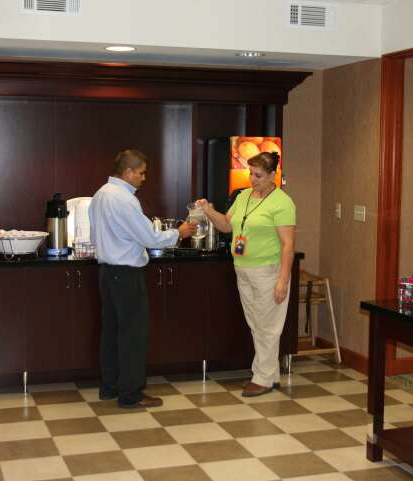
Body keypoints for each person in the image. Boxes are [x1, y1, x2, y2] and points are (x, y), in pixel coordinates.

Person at [90, 149, 197, 408]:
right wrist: (178, 233)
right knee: (132, 336)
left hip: (107, 272)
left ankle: (109, 387)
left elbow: (96, 235)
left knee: (111, 333)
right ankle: (131, 394)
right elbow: (149, 237)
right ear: (128, 172)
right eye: (141, 173)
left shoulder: (100, 194)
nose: (144, 178)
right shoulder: (124, 199)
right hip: (127, 274)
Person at [197, 151, 296, 397]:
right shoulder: (243, 196)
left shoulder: (282, 203)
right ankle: (270, 374)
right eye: (250, 173)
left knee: (268, 326)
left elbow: (288, 245)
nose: (253, 179)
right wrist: (208, 210)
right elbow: (226, 225)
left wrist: (283, 280)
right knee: (256, 324)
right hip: (243, 268)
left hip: (268, 271)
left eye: (258, 175)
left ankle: (262, 378)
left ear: (273, 175)